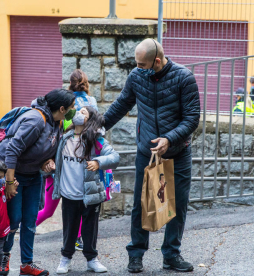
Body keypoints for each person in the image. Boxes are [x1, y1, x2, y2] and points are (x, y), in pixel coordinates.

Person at [103, 39, 200, 273]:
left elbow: (192, 117)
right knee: (141, 205)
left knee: (176, 206)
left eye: (141, 63)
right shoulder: (137, 76)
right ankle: (136, 254)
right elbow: (121, 104)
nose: (136, 68)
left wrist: (169, 139)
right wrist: (97, 127)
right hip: (147, 154)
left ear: (156, 61)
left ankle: (171, 255)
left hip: (177, 153)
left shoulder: (184, 78)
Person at [0, 88, 75, 276]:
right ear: (62, 108)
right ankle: (2, 258)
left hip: (33, 175)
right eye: (72, 107)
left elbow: (50, 148)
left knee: (30, 220)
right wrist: (8, 182)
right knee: (13, 219)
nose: (74, 110)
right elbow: (12, 150)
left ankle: (27, 264)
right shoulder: (36, 120)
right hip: (13, 173)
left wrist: (49, 162)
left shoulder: (58, 122)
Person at [52, 107, 120, 274]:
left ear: (90, 120)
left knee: (90, 229)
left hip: (90, 195)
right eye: (78, 111)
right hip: (68, 195)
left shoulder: (96, 140)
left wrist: (98, 162)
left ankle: (92, 259)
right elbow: (52, 158)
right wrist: (48, 165)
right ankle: (65, 259)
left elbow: (115, 157)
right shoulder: (64, 138)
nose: (78, 114)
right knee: (69, 230)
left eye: (83, 112)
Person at [36, 69, 98, 251]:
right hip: (81, 158)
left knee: (48, 209)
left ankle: (26, 228)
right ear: (86, 83)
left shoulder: (67, 101)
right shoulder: (91, 102)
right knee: (80, 203)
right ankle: (78, 239)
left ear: (69, 83)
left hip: (60, 157)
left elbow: (60, 128)